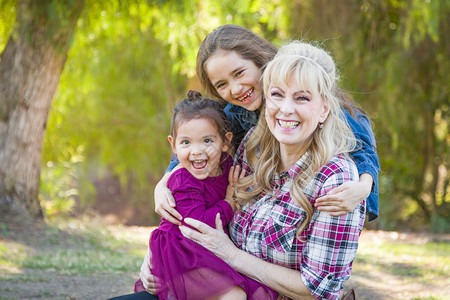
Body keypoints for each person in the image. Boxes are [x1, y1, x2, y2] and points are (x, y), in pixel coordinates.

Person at [176, 40, 366, 299]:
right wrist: (159, 260)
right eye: (277, 94)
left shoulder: (336, 180)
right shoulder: (253, 147)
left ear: (324, 110)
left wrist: (231, 255)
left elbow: (317, 290)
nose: (286, 109)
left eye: (301, 98)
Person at [157, 24, 379, 231]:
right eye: (222, 85)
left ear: (260, 61)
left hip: (313, 199)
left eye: (239, 73)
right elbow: (198, 140)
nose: (235, 89)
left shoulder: (306, 99)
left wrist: (364, 187)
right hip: (268, 208)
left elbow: (361, 144)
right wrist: (164, 183)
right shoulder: (234, 113)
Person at [130, 91, 277, 300]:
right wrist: (229, 201)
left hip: (205, 249)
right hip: (182, 252)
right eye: (186, 143)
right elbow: (198, 226)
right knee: (234, 295)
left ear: (225, 142)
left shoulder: (227, 166)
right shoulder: (183, 180)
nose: (196, 151)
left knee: (261, 292)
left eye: (207, 140)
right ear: (173, 145)